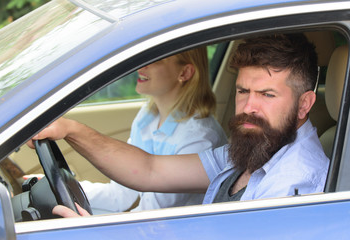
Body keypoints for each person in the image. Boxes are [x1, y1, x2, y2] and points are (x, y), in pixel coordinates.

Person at [29, 33, 329, 218]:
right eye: (242, 91)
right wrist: (71, 130)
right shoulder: (255, 149)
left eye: (267, 95)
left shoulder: (297, 184)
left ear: (304, 104)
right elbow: (150, 170)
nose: (249, 107)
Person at [71, 48, 228, 213]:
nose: (141, 67)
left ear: (185, 72)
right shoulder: (147, 117)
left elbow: (151, 215)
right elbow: (120, 195)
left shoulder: (200, 139)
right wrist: (70, 190)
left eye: (157, 59)